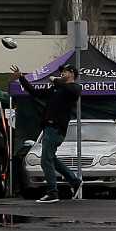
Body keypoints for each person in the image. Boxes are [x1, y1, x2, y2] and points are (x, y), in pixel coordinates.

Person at [14, 64, 84, 201]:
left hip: (56, 128)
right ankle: (75, 181)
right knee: (51, 158)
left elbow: (69, 89)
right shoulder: (56, 88)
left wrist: (55, 80)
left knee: (45, 160)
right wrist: (22, 78)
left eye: (65, 71)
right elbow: (36, 93)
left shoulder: (75, 88)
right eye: (62, 71)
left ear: (72, 74)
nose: (63, 73)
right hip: (48, 127)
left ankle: (53, 192)